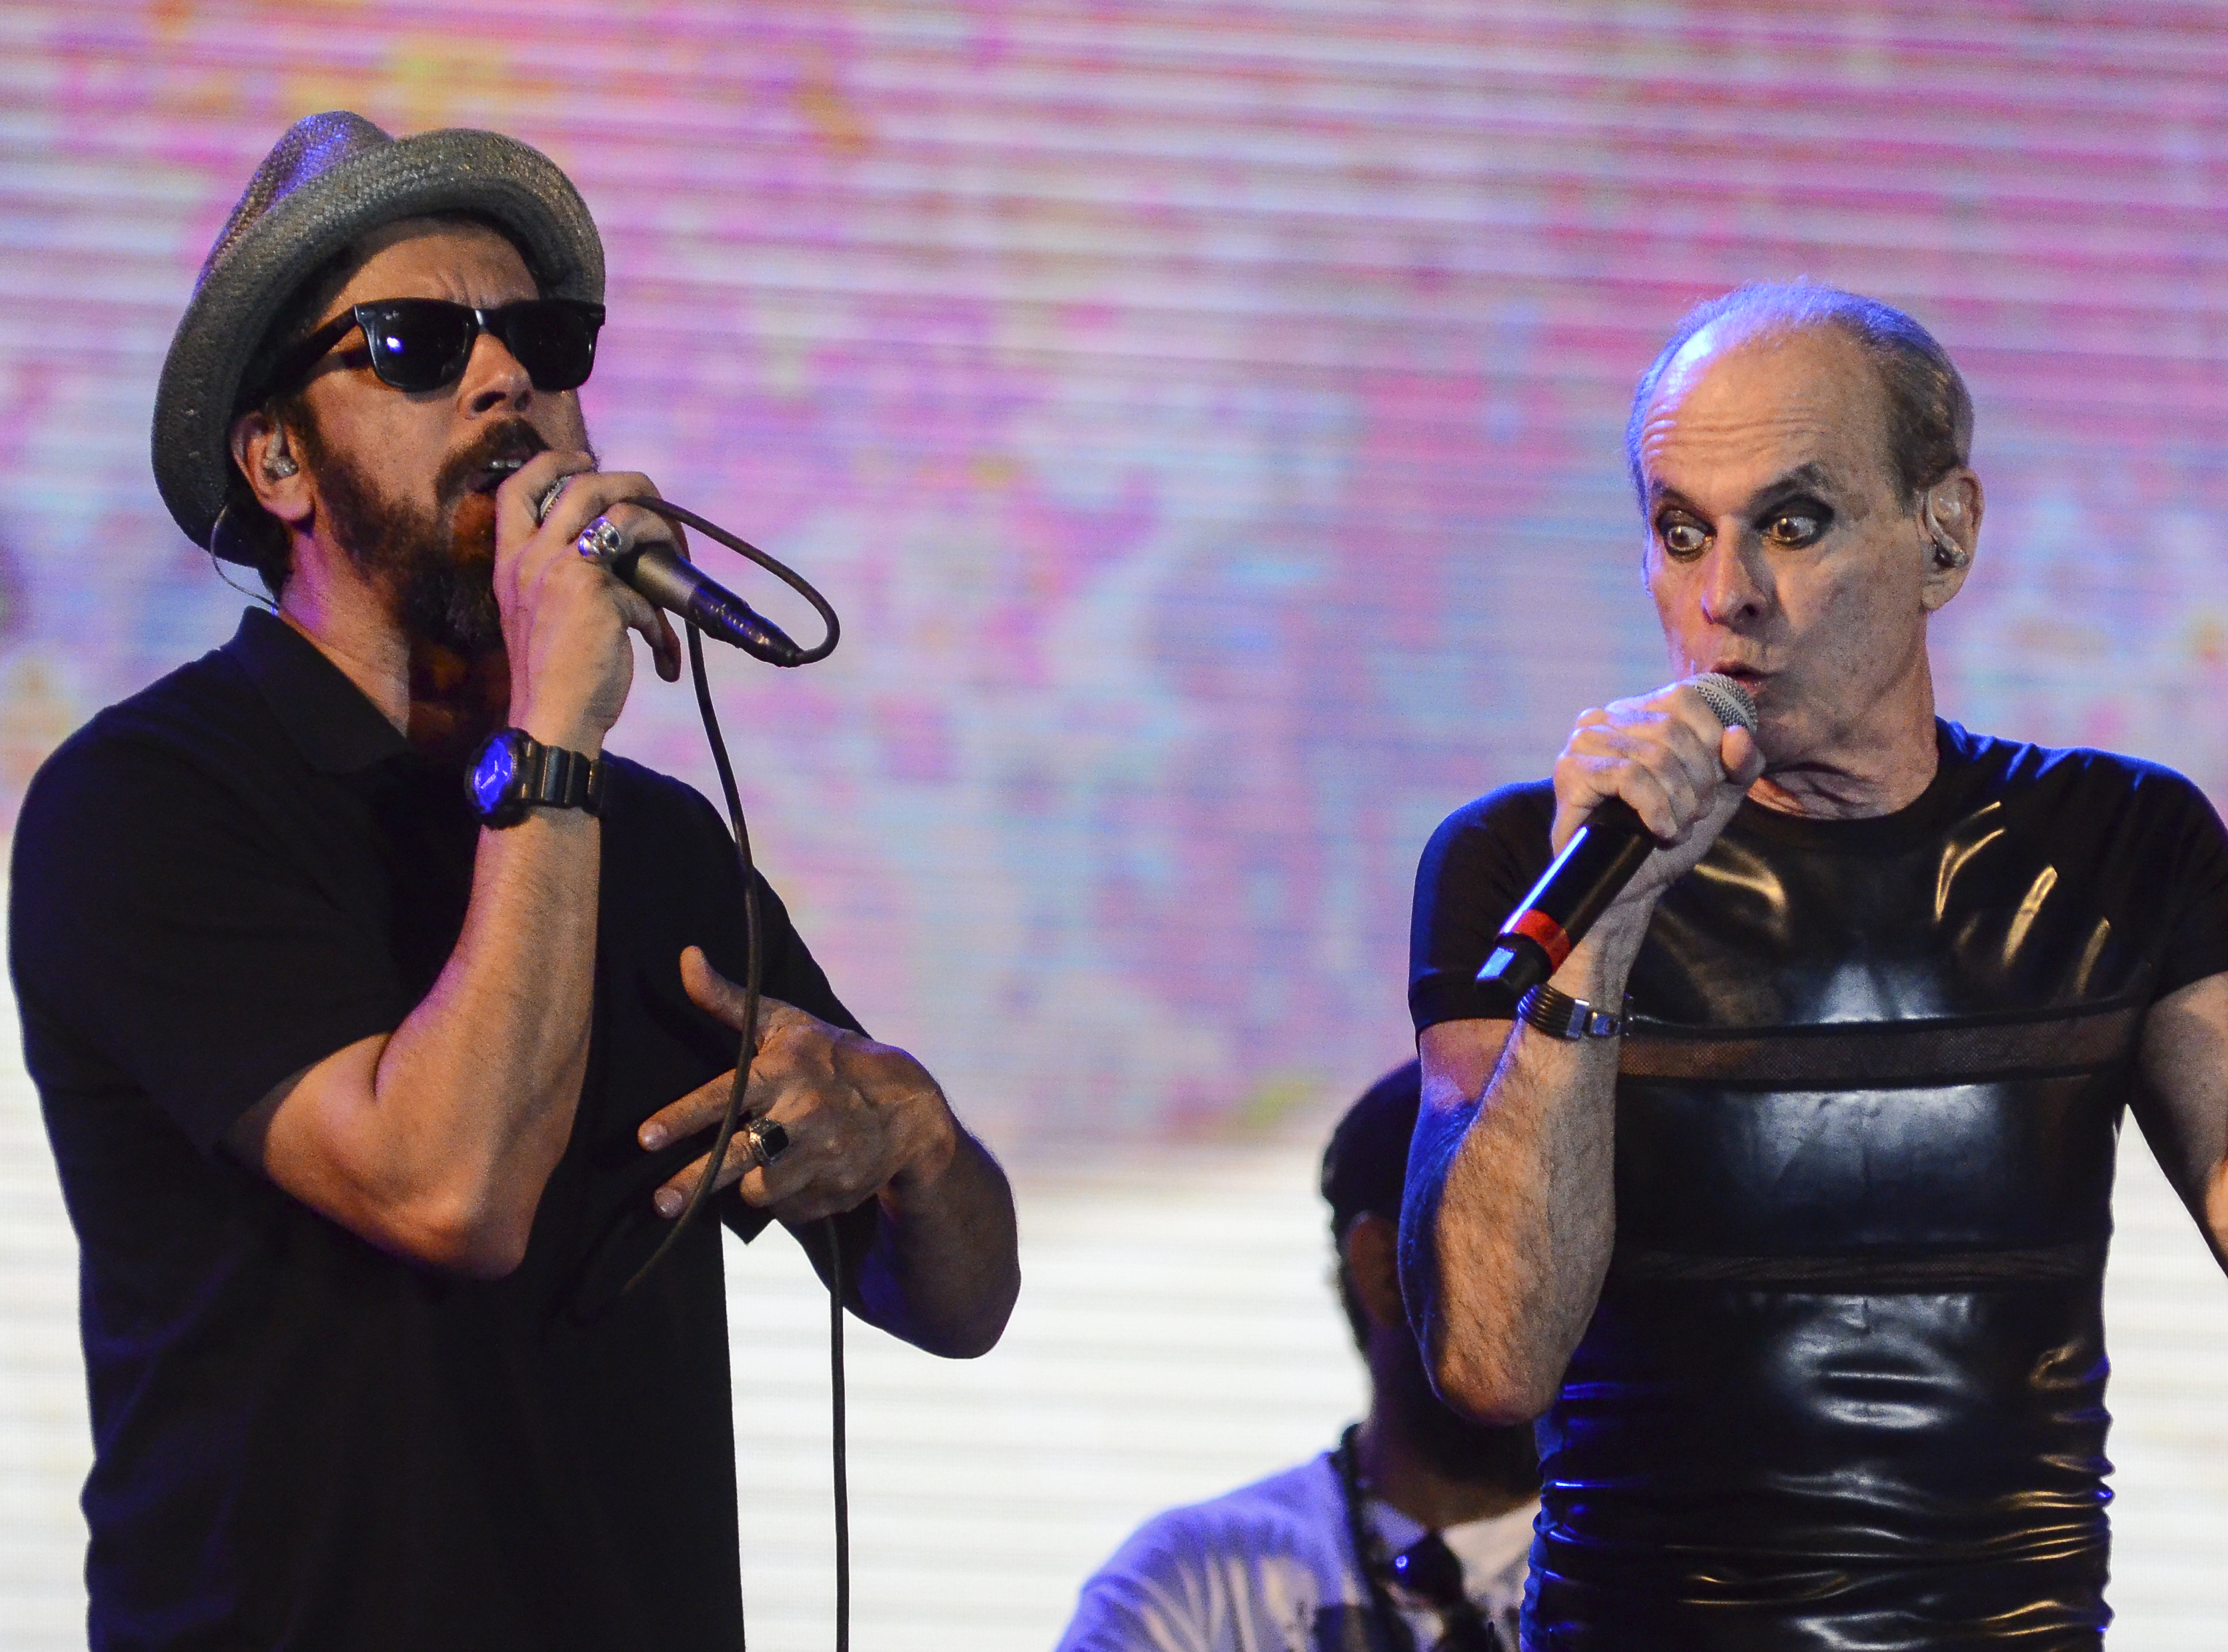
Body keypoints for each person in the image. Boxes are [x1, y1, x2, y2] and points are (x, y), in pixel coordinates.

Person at [10, 112, 1019, 1652]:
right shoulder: (151, 800)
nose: (505, 382)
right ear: (277, 460)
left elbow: (958, 1300)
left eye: (539, 339)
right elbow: (447, 1190)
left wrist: (914, 1137)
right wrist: (554, 722)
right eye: (415, 345)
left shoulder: (652, 838)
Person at [1400, 281, 2228, 1649]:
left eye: (1793, 523)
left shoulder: (2115, 843)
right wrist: (1605, 929)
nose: (1726, 596)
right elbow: (1489, 1359)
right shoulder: (1526, 865)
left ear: (1943, 534)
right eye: (1682, 532)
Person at [1060, 1061, 1544, 1651]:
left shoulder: (1644, 1569)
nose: (1582, 1303)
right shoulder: (1193, 1583)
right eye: (1535, 1253)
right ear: (1385, 1272)